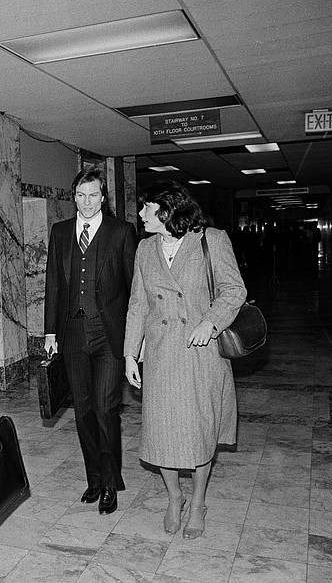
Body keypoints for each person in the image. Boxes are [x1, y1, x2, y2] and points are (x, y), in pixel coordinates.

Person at [124, 180, 246, 540]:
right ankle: (175, 496)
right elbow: (138, 304)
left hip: (199, 354)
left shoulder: (211, 240)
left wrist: (210, 322)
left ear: (167, 209)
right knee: (162, 432)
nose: (141, 213)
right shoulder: (145, 249)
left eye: (147, 207)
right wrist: (130, 353)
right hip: (161, 354)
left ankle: (198, 502)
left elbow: (234, 290)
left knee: (199, 432)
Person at [44, 165, 137, 515]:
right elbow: (54, 284)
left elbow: (134, 289)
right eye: (81, 196)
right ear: (74, 197)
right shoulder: (60, 232)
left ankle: (111, 482)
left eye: (93, 195)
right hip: (72, 334)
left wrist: (135, 339)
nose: (86, 202)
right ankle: (94, 478)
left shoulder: (121, 232)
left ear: (103, 197)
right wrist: (50, 332)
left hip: (109, 334)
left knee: (105, 408)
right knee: (82, 410)